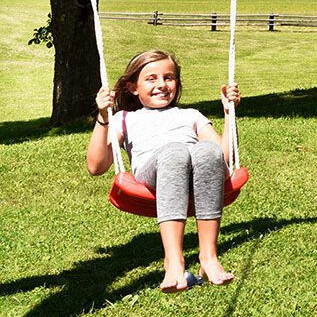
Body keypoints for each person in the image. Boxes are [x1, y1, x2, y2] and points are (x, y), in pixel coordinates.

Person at [86, 49, 240, 293]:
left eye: (169, 78)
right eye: (151, 78)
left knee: (208, 151)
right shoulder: (125, 118)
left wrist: (229, 112)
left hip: (198, 172)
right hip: (155, 171)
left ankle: (209, 255)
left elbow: (224, 158)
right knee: (175, 151)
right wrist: (103, 116)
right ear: (133, 87)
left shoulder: (191, 115)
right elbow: (96, 166)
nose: (162, 84)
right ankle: (174, 260)